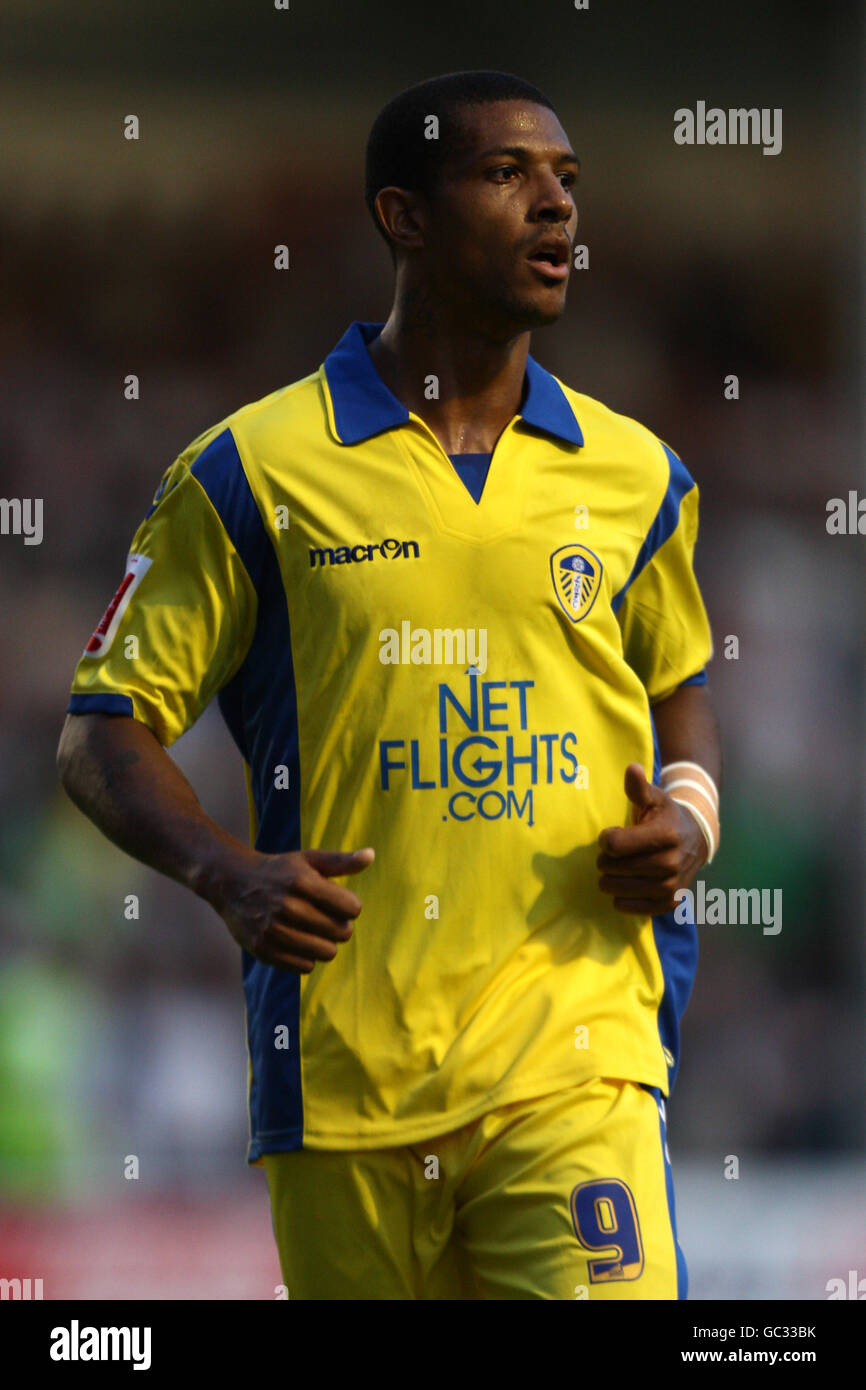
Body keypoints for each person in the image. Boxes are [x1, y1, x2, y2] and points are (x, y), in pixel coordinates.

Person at [57, 70, 721, 1300]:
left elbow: (679, 677)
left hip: (577, 1055)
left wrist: (688, 815)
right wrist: (224, 872)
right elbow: (103, 731)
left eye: (567, 182)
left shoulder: (638, 475)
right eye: (506, 175)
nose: (554, 209)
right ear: (401, 216)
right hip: (342, 1075)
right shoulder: (249, 471)